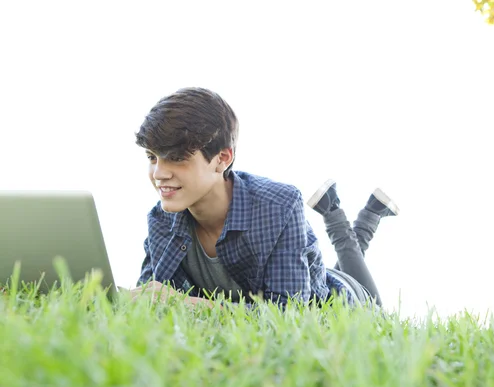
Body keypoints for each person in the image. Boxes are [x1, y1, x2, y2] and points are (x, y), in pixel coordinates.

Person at [128, 87, 399, 308]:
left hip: (341, 302)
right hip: (311, 275)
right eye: (152, 158)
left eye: (176, 158)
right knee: (340, 262)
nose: (158, 173)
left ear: (222, 159)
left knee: (375, 307)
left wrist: (184, 303)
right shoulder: (162, 219)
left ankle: (355, 214)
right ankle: (350, 211)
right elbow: (153, 301)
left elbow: (288, 313)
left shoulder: (279, 205)